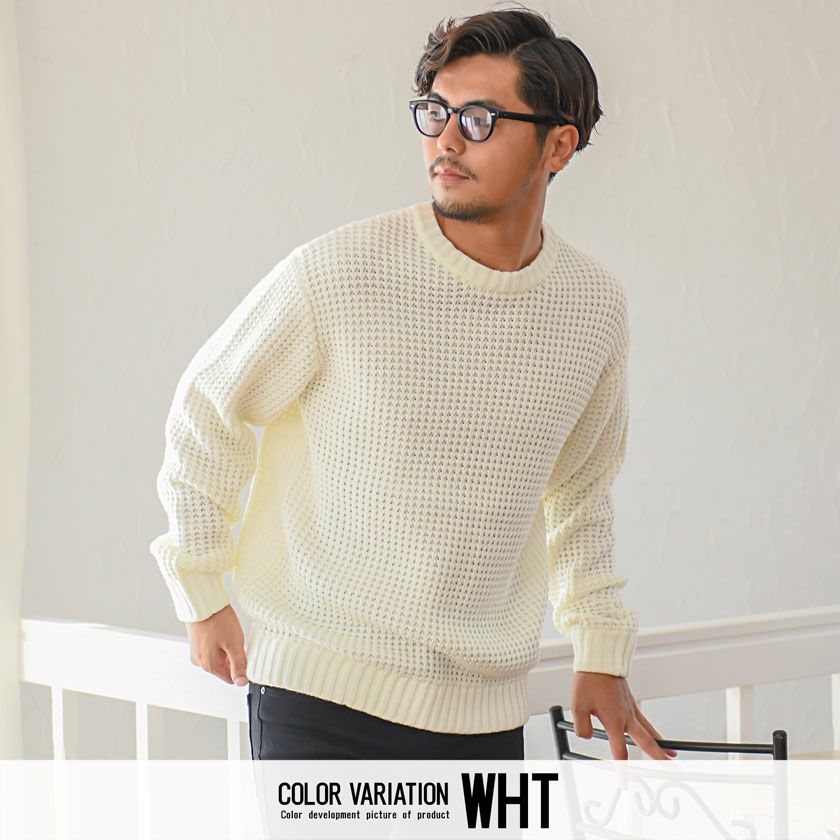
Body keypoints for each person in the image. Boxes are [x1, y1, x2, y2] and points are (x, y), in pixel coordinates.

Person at [150, 5, 678, 765]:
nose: (446, 140)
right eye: (435, 111)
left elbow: (581, 491)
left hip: (487, 715)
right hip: (320, 699)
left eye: (480, 118)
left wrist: (599, 649)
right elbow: (207, 409)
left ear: (559, 145)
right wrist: (200, 590)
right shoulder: (339, 273)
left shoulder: (593, 308)